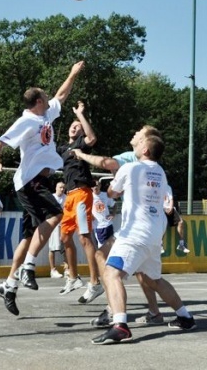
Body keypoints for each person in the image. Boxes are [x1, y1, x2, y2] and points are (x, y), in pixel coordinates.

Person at [0, 60, 84, 316]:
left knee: (29, 237)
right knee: (55, 215)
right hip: (31, 182)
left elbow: (62, 94)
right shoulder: (26, 121)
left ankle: (9, 285)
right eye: (45, 96)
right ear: (38, 101)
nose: (50, 97)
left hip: (38, 181)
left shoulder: (46, 114)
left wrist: (72, 73)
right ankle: (28, 267)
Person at [73, 125, 187, 328]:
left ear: (144, 150)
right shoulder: (160, 172)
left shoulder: (130, 167)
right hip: (154, 233)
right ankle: (185, 317)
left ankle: (120, 325)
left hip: (134, 232)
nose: (138, 140)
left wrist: (108, 188)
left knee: (111, 273)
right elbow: (164, 199)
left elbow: (112, 194)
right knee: (155, 280)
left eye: (141, 140)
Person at [56, 101, 103, 303]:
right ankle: (73, 278)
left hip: (82, 194)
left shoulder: (81, 143)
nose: (74, 126)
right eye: (73, 124)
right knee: (65, 239)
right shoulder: (63, 148)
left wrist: (81, 115)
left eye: (78, 126)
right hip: (69, 197)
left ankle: (95, 283)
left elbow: (92, 138)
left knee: (84, 238)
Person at [48, 180, 67, 279]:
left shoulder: (66, 198)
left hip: (64, 225)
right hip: (54, 225)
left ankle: (67, 269)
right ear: (56, 188)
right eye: (60, 187)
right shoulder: (51, 197)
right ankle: (53, 270)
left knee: (65, 247)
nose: (62, 189)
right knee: (53, 248)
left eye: (63, 187)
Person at [164, 186, 190, 254]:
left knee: (180, 222)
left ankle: (181, 244)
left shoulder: (168, 187)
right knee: (162, 223)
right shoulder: (155, 187)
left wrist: (171, 208)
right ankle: (159, 245)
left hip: (169, 208)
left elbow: (171, 199)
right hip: (160, 209)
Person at [92, 178, 116, 249]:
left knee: (112, 245)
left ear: (100, 185)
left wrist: (113, 214)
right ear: (91, 187)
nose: (95, 187)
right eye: (93, 186)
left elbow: (114, 205)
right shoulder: (89, 197)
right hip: (98, 226)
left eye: (97, 185)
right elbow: (86, 209)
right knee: (102, 247)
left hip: (108, 224)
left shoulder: (105, 195)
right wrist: (91, 216)